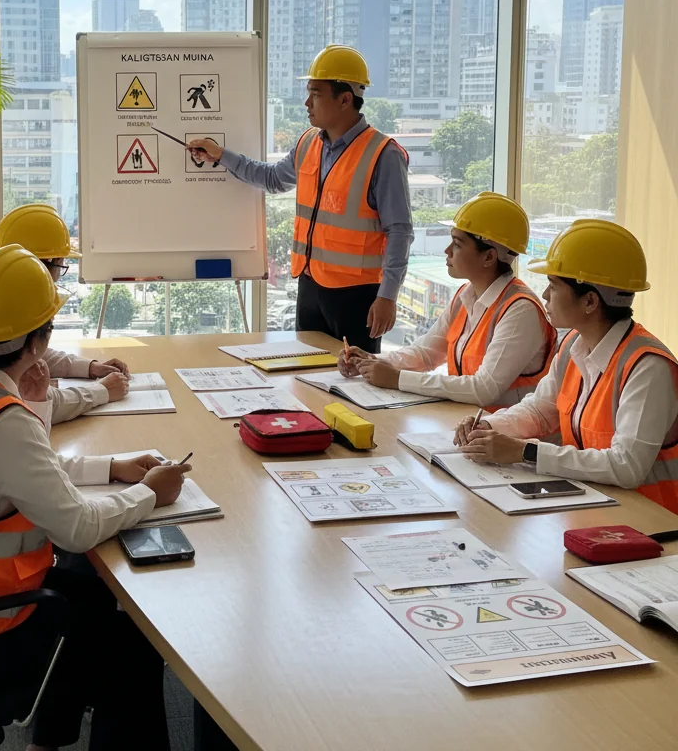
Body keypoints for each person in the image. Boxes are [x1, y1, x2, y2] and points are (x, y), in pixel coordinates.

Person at [0, 244, 191, 751]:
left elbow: (25, 474)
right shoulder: (1, 421)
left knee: (89, 592)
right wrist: (146, 495)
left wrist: (110, 468)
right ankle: (52, 733)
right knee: (131, 636)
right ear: (39, 339)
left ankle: (46, 739)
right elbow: (77, 527)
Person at [188, 45, 412, 351]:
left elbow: (399, 231)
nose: (307, 103)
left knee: (355, 387)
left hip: (358, 296)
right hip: (310, 286)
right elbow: (272, 178)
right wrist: (220, 155)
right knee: (307, 377)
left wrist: (388, 296)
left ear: (345, 99)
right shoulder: (309, 143)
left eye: (316, 94)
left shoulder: (383, 155)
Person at [454, 219, 678, 511]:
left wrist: (525, 451)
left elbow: (627, 466)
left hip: (654, 524)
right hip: (597, 508)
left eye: (554, 285)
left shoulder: (648, 367)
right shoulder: (574, 343)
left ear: (590, 302)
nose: (545, 295)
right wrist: (489, 427)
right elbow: (539, 411)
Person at [339, 192, 556, 411]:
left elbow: (483, 389)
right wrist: (372, 362)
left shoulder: (520, 311)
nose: (447, 251)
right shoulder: (466, 296)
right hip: (470, 425)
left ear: (489, 257)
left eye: (457, 244)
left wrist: (397, 379)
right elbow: (425, 354)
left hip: (508, 437)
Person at [0, 203, 130, 425]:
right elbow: (41, 404)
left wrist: (89, 367)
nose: (57, 279)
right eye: (60, 266)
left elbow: (31, 353)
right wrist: (102, 391)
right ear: (37, 266)